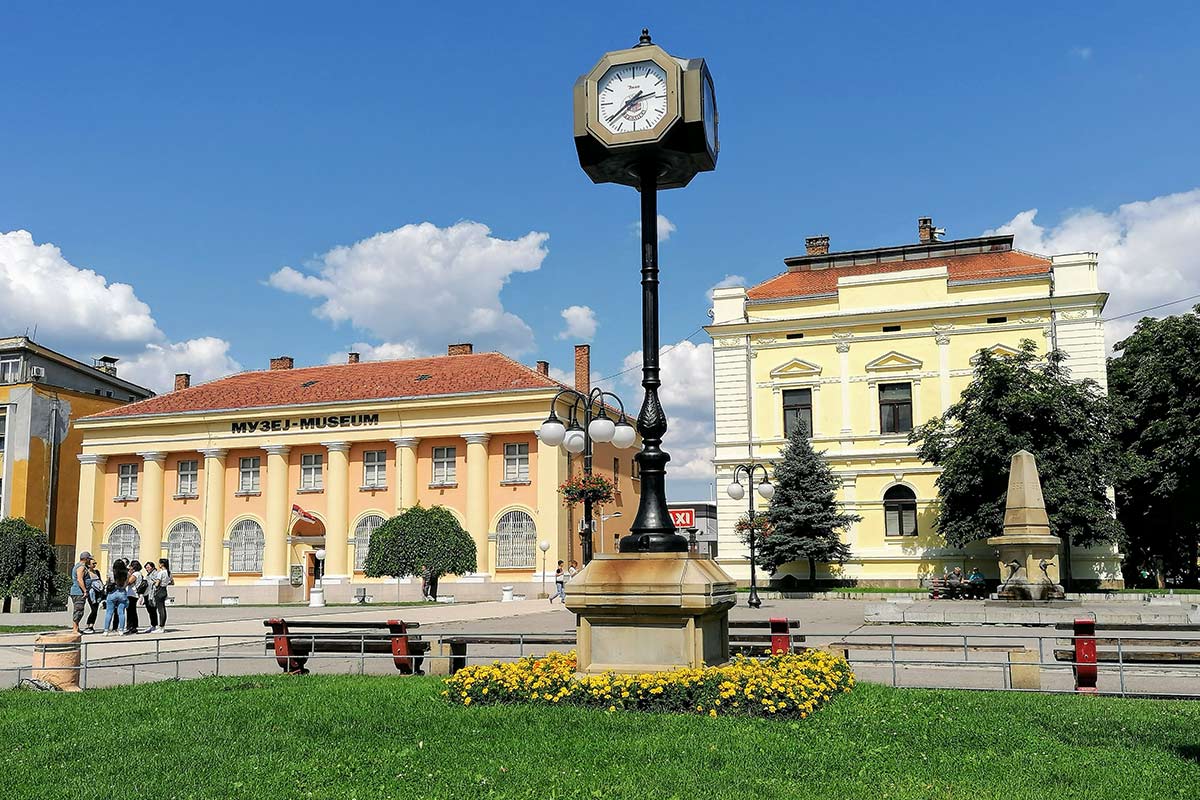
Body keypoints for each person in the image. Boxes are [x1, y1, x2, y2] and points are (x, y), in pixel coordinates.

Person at [104, 559, 131, 636]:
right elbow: (126, 584)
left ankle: (106, 630)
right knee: (121, 612)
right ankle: (121, 630)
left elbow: (108, 582)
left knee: (109, 612)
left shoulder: (111, 573)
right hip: (122, 593)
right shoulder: (127, 574)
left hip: (112, 593)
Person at [68, 551, 90, 634]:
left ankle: (77, 627)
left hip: (78, 591)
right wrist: (85, 590)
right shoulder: (81, 567)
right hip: (78, 592)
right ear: (86, 559)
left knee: (79, 610)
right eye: (89, 559)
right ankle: (75, 629)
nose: (89, 560)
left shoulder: (79, 566)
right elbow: (80, 579)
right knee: (78, 609)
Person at [83, 557, 105, 633]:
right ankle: (88, 624)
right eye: (93, 563)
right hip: (91, 592)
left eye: (95, 563)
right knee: (93, 609)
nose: (95, 565)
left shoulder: (97, 572)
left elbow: (100, 581)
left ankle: (91, 625)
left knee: (96, 609)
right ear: (88, 565)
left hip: (98, 593)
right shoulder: (86, 573)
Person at [126, 561, 147, 634]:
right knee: (133, 611)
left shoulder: (135, 574)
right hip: (135, 594)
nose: (129, 567)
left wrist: (129, 573)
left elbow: (129, 582)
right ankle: (134, 626)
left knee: (130, 611)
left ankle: (131, 626)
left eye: (131, 566)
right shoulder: (140, 574)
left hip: (132, 593)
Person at [152, 558, 172, 632]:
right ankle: (162, 626)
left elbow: (157, 584)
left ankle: (161, 627)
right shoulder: (169, 573)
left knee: (160, 609)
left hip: (159, 590)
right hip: (164, 590)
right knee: (163, 609)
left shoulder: (161, 573)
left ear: (162, 564)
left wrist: (155, 583)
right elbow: (172, 582)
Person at [141, 561, 159, 633]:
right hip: (146, 593)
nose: (147, 569)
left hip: (151, 594)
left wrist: (148, 582)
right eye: (146, 567)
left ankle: (155, 625)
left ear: (153, 567)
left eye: (148, 567)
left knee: (153, 610)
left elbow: (156, 582)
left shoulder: (155, 573)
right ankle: (152, 625)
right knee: (150, 610)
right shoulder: (148, 574)